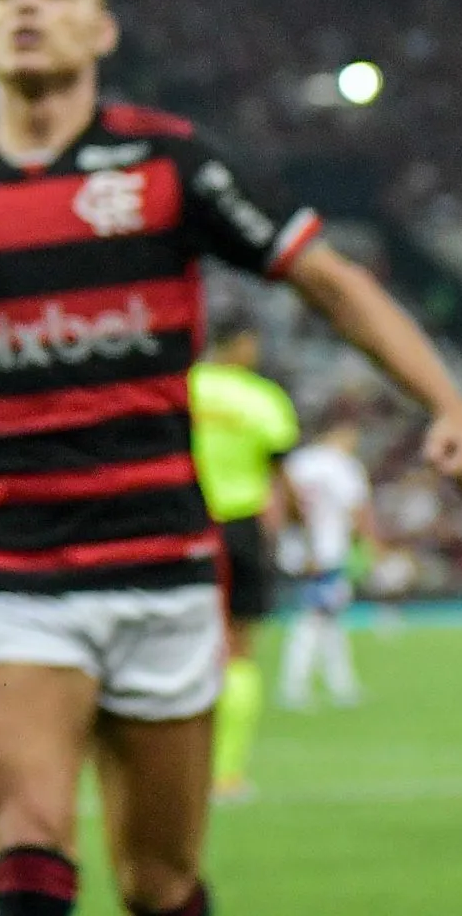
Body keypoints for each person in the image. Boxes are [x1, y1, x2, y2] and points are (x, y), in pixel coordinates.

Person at [0, 0, 462, 916]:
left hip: (161, 565)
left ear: (102, 28)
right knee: (28, 846)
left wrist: (445, 399)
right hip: (6, 566)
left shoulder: (167, 163)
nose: (29, 6)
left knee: (158, 881)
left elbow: (328, 281)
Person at [185, 325, 299, 802]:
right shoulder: (261, 398)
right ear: (242, 344)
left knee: (181, 648)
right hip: (239, 526)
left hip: (185, 522)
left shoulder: (184, 387)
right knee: (239, 650)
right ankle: (228, 773)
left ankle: (180, 771)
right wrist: (296, 530)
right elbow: (281, 475)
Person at [279, 419, 375, 711]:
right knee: (315, 618)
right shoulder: (342, 466)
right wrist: (364, 546)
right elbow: (357, 510)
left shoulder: (299, 462)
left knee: (329, 617)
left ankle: (340, 683)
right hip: (328, 551)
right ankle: (294, 685)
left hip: (299, 551)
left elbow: (281, 501)